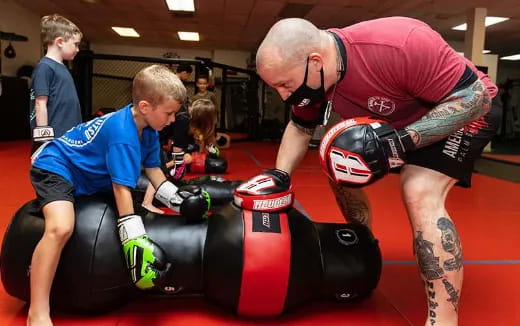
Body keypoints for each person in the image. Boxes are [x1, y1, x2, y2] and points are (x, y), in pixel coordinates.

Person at [243, 17, 500, 326]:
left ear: (315, 61)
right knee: (338, 163)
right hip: (404, 122)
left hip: (464, 110)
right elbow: (300, 126)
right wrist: (279, 176)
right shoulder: (314, 78)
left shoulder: (400, 43)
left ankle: (444, 320)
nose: (285, 95)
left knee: (418, 189)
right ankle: (365, 245)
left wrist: (401, 142)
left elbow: (476, 99)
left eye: (285, 84)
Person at [27, 65, 210, 326]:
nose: (172, 121)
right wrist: (133, 241)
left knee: (137, 205)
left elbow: (155, 171)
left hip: (91, 176)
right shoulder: (122, 134)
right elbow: (120, 188)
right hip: (57, 167)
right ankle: (38, 311)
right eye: (169, 113)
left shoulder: (148, 130)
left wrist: (180, 202)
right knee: (61, 227)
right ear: (145, 107)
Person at [142, 98, 221, 214]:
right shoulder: (183, 121)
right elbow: (177, 152)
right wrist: (177, 170)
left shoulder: (186, 116)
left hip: (156, 136)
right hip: (151, 137)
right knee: (159, 170)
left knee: (169, 169)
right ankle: (147, 202)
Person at [29, 14, 83, 154]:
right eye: (75, 44)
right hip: (54, 140)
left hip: (67, 137)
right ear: (60, 42)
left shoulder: (62, 67)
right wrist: (43, 143)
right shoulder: (45, 67)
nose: (77, 49)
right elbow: (40, 104)